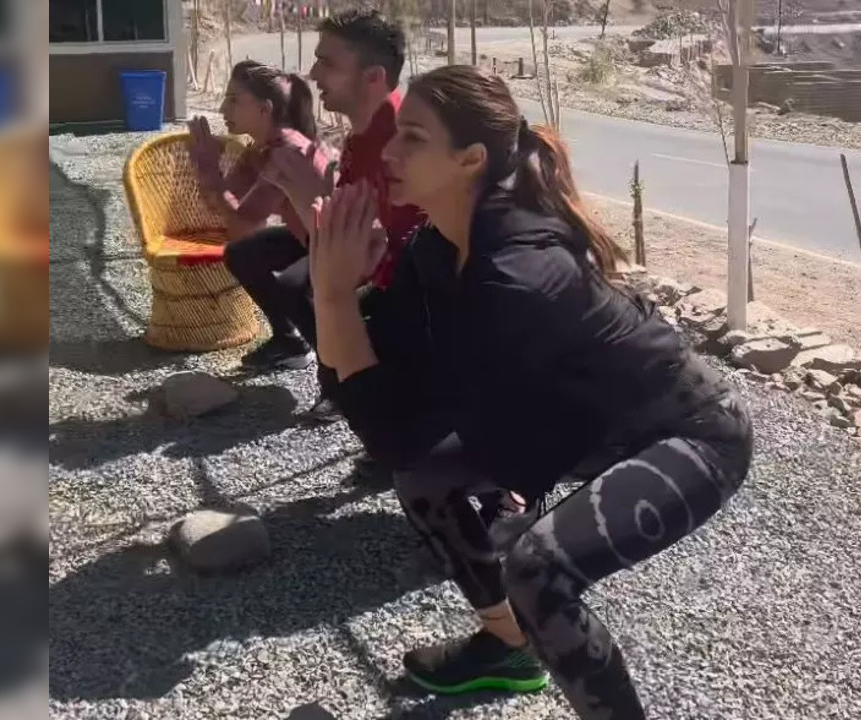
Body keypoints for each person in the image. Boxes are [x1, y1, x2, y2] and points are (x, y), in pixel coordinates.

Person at [306, 66, 754, 719]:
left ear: (470, 161)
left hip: (690, 433)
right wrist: (330, 290)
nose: (389, 153)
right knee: (426, 477)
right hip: (579, 424)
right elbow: (379, 404)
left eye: (412, 138)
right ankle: (507, 645)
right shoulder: (438, 247)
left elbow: (392, 421)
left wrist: (334, 296)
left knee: (539, 570)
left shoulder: (514, 276)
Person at [258, 7, 427, 477]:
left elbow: (384, 248)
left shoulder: (404, 138)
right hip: (386, 278)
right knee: (302, 288)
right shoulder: (362, 135)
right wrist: (301, 195)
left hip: (427, 293)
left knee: (329, 316)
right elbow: (348, 237)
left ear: (373, 77)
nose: (312, 74)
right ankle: (365, 407)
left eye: (327, 63)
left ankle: (404, 435)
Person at [187, 60, 331, 374]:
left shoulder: (286, 152)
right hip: (306, 237)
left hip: (337, 245)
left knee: (291, 285)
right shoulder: (259, 148)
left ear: (264, 109)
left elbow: (242, 219)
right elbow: (224, 206)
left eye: (234, 100)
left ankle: (337, 373)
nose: (223, 107)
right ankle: (289, 340)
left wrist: (211, 169)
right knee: (242, 254)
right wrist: (206, 170)